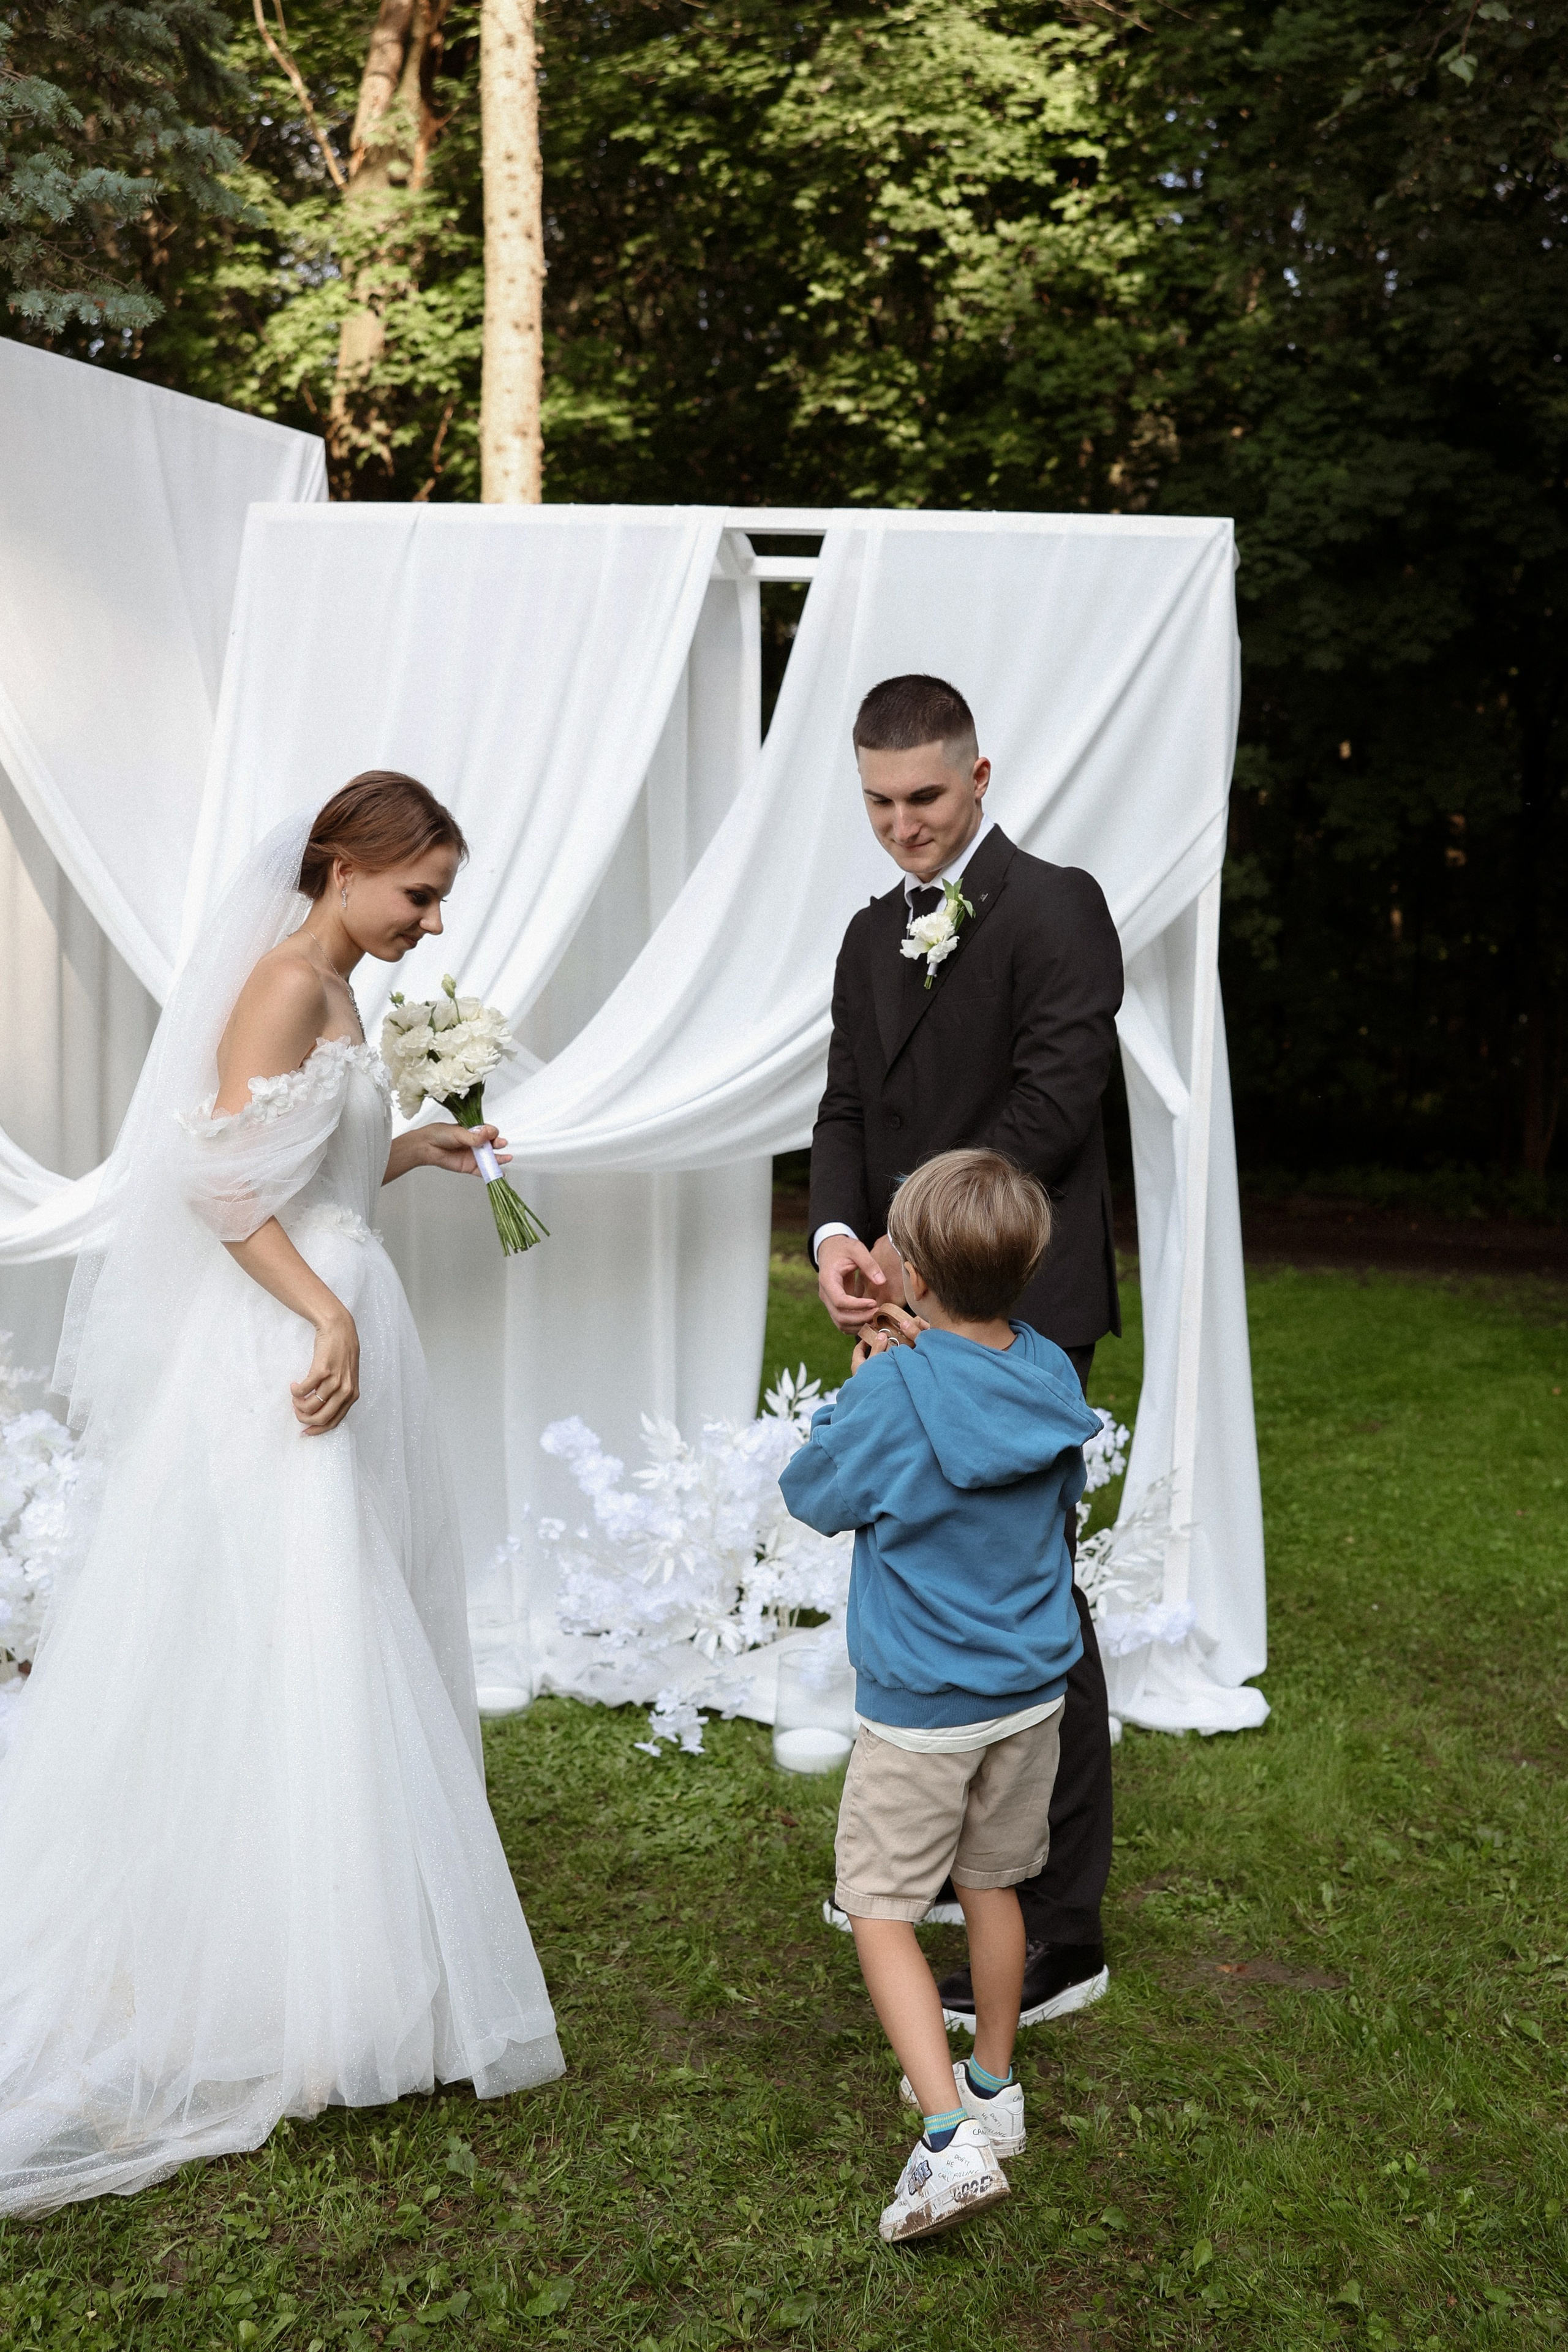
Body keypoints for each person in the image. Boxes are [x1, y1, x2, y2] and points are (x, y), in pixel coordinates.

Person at [0, 774, 562, 2217]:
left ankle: (345, 1960)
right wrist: (323, 1314)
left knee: (349, 1624)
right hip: (281, 1350)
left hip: (338, 1315)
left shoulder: (340, 986)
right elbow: (219, 1192)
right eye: (418, 894)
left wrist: (407, 1150)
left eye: (440, 899)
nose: (431, 923)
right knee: (293, 1628)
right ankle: (274, 1975)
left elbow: (301, 1171)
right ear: (342, 867)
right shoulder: (282, 982)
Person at [810, 673, 1123, 2030]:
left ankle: (1059, 1929)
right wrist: (838, 1238)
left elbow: (1051, 1106)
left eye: (925, 796)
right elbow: (842, 1104)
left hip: (1014, 1298)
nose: (903, 826)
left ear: (979, 777)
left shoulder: (1056, 906)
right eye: (878, 803)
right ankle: (960, 1855)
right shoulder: (865, 933)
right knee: (929, 1557)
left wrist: (917, 1253)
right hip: (902, 1289)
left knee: (1031, 1589)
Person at [780, 1150, 1101, 2244]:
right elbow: (1003, 1428)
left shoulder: (890, 1390)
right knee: (994, 1883)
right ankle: (993, 2089)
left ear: (910, 1273)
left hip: (923, 1705)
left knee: (880, 1909)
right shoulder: (1048, 1368)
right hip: (1032, 1693)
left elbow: (815, 1492)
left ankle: (946, 2139)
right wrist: (910, 1357)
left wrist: (871, 1384)